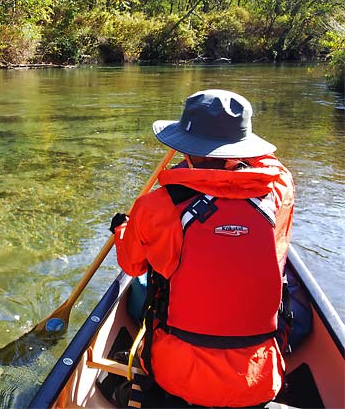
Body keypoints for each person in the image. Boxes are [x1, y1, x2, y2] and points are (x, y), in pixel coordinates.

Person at [110, 89, 296, 407]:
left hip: (177, 376)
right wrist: (234, 141)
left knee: (143, 292)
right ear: (241, 149)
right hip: (258, 379)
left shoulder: (155, 207)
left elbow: (132, 266)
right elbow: (270, 163)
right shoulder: (280, 190)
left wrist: (122, 228)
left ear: (185, 149)